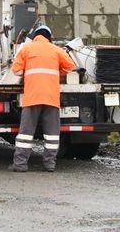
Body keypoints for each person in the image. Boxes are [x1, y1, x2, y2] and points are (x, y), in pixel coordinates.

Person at [10, 25, 75, 172]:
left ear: (35, 36)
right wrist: (58, 70)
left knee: (26, 132)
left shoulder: (26, 49)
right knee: (52, 133)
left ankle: (20, 164)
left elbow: (16, 71)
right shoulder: (57, 50)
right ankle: (50, 164)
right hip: (51, 97)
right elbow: (71, 67)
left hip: (32, 96)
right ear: (49, 37)